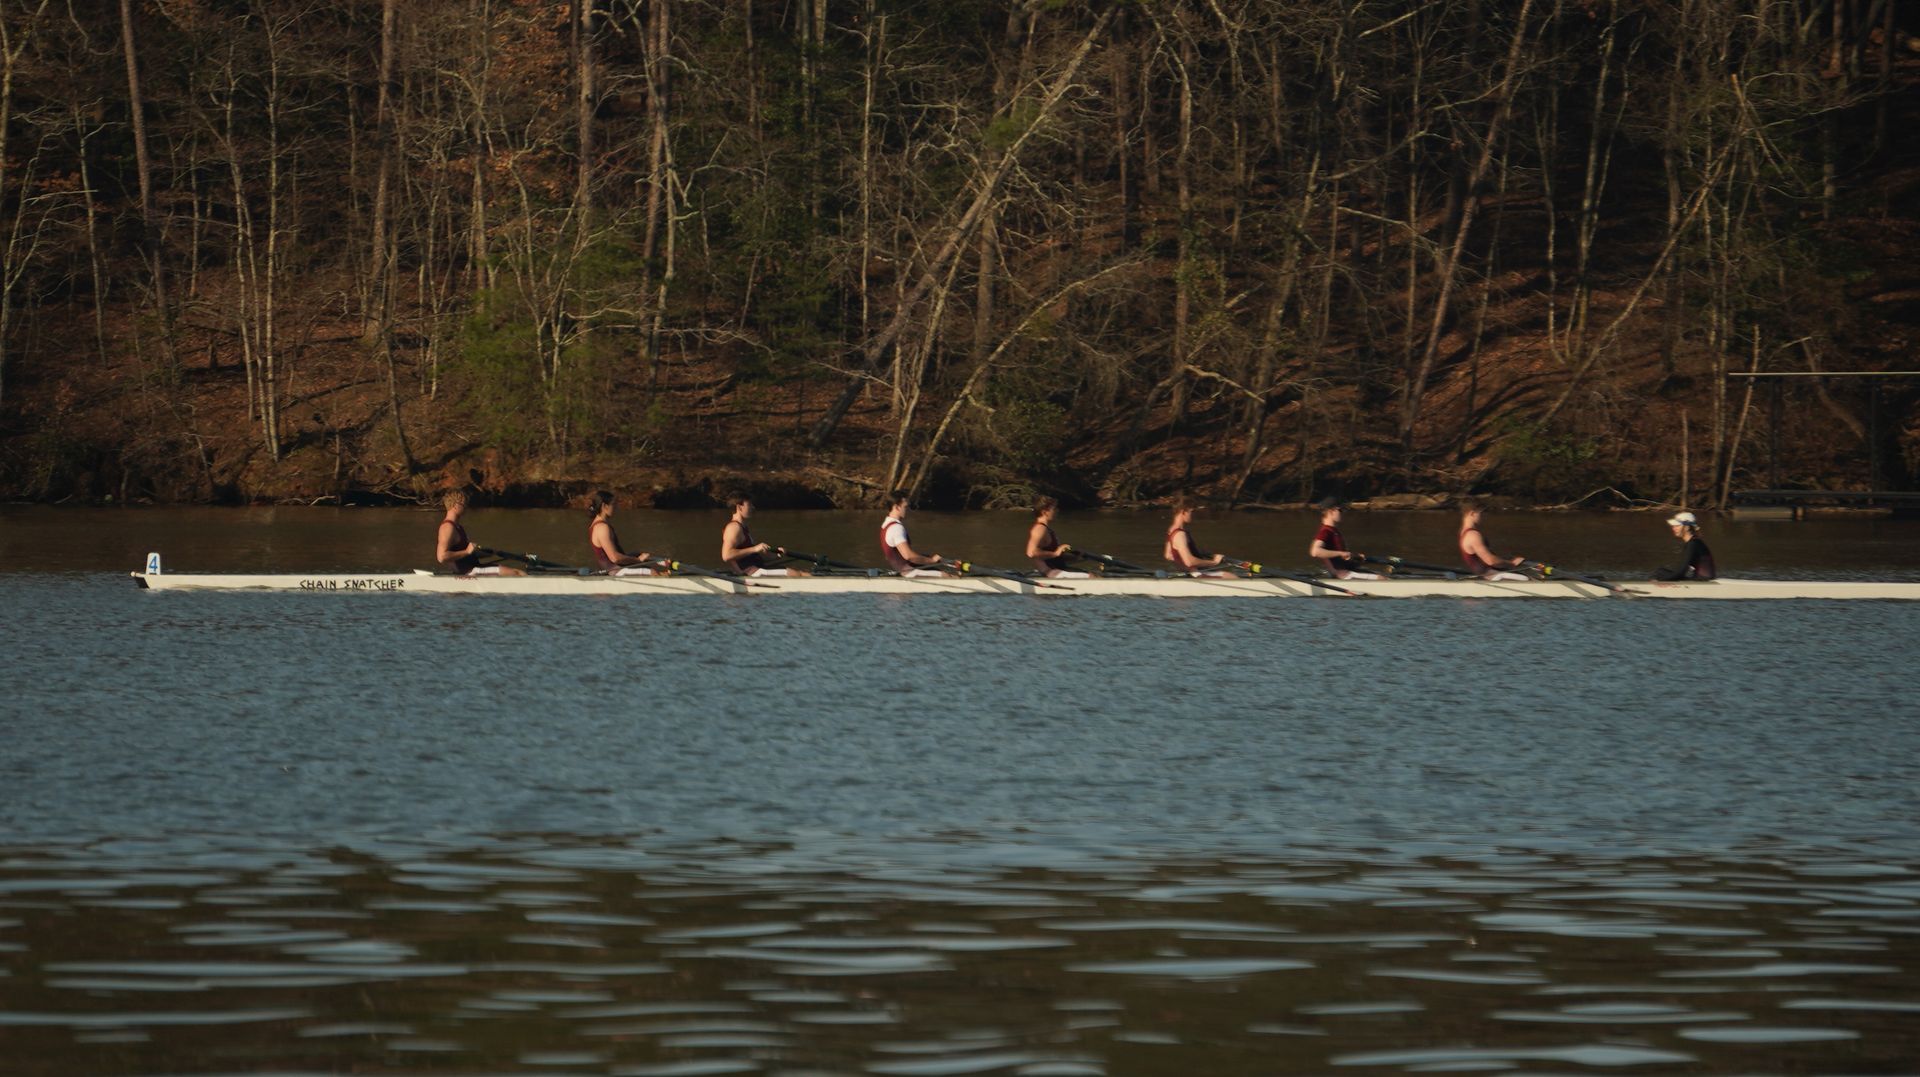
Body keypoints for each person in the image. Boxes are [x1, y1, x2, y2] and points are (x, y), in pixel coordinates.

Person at [435, 489, 522, 576]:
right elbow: (442, 557)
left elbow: (465, 553)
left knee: (519, 572)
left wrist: (489, 553)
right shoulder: (447, 527)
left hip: (474, 567)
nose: (466, 507)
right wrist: (467, 551)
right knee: (516, 573)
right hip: (469, 572)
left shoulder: (458, 527)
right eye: (463, 504)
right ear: (455, 505)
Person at [721, 493, 808, 576]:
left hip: (757, 569)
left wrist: (775, 555)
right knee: (799, 574)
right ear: (739, 507)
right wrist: (755, 548)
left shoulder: (743, 527)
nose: (753, 507)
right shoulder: (733, 527)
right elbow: (726, 555)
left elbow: (751, 556)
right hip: (751, 573)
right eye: (749, 505)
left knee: (801, 572)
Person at [880, 490, 955, 576]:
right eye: (906, 507)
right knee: (947, 576)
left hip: (902, 570)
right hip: (909, 573)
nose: (908, 510)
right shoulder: (896, 528)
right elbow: (908, 556)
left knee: (942, 570)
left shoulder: (886, 524)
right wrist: (931, 561)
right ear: (897, 507)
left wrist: (927, 558)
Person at [586, 490, 658, 574]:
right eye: (614, 505)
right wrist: (637, 560)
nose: (616, 508)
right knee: (653, 572)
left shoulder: (597, 524)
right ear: (604, 506)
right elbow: (614, 558)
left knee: (639, 555)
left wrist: (635, 556)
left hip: (616, 569)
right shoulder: (602, 528)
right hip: (616, 572)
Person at [1307, 497, 1379, 579]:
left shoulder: (1333, 531)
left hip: (1347, 570)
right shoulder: (1325, 531)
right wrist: (1341, 553)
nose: (1342, 513)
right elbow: (1315, 552)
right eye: (1340, 510)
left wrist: (1354, 556)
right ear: (1331, 511)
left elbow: (1338, 556)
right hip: (1341, 574)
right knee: (1381, 579)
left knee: (1383, 577)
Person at [1458, 500, 1529, 581]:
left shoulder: (1463, 531)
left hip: (1488, 573)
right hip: (1491, 576)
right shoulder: (1473, 535)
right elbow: (1490, 561)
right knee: (1526, 578)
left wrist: (1506, 560)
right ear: (1472, 513)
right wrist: (1512, 564)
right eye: (1482, 513)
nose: (1485, 516)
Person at [1164, 499, 1234, 576]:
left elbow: (1169, 555)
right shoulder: (1180, 534)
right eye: (1191, 512)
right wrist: (1214, 562)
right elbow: (1189, 562)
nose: (1193, 515)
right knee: (1230, 576)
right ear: (1183, 512)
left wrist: (1197, 552)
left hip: (1188, 573)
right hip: (1196, 574)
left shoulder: (1171, 530)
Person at [1025, 497, 1090, 578]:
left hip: (1058, 569)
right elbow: (1031, 553)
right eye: (1054, 509)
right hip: (1050, 572)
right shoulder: (1039, 529)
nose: (1057, 511)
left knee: (1093, 575)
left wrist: (1077, 557)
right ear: (1045, 512)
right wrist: (1055, 553)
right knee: (1092, 577)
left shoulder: (1046, 529)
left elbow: (1053, 556)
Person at [1653, 510, 1717, 581]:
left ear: (1687, 527)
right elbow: (1681, 571)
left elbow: (1680, 572)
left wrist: (1659, 581)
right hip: (1700, 579)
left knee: (1659, 573)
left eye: (1677, 525)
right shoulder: (1694, 542)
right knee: (1661, 572)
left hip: (1703, 582)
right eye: (1673, 526)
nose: (1673, 528)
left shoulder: (1693, 544)